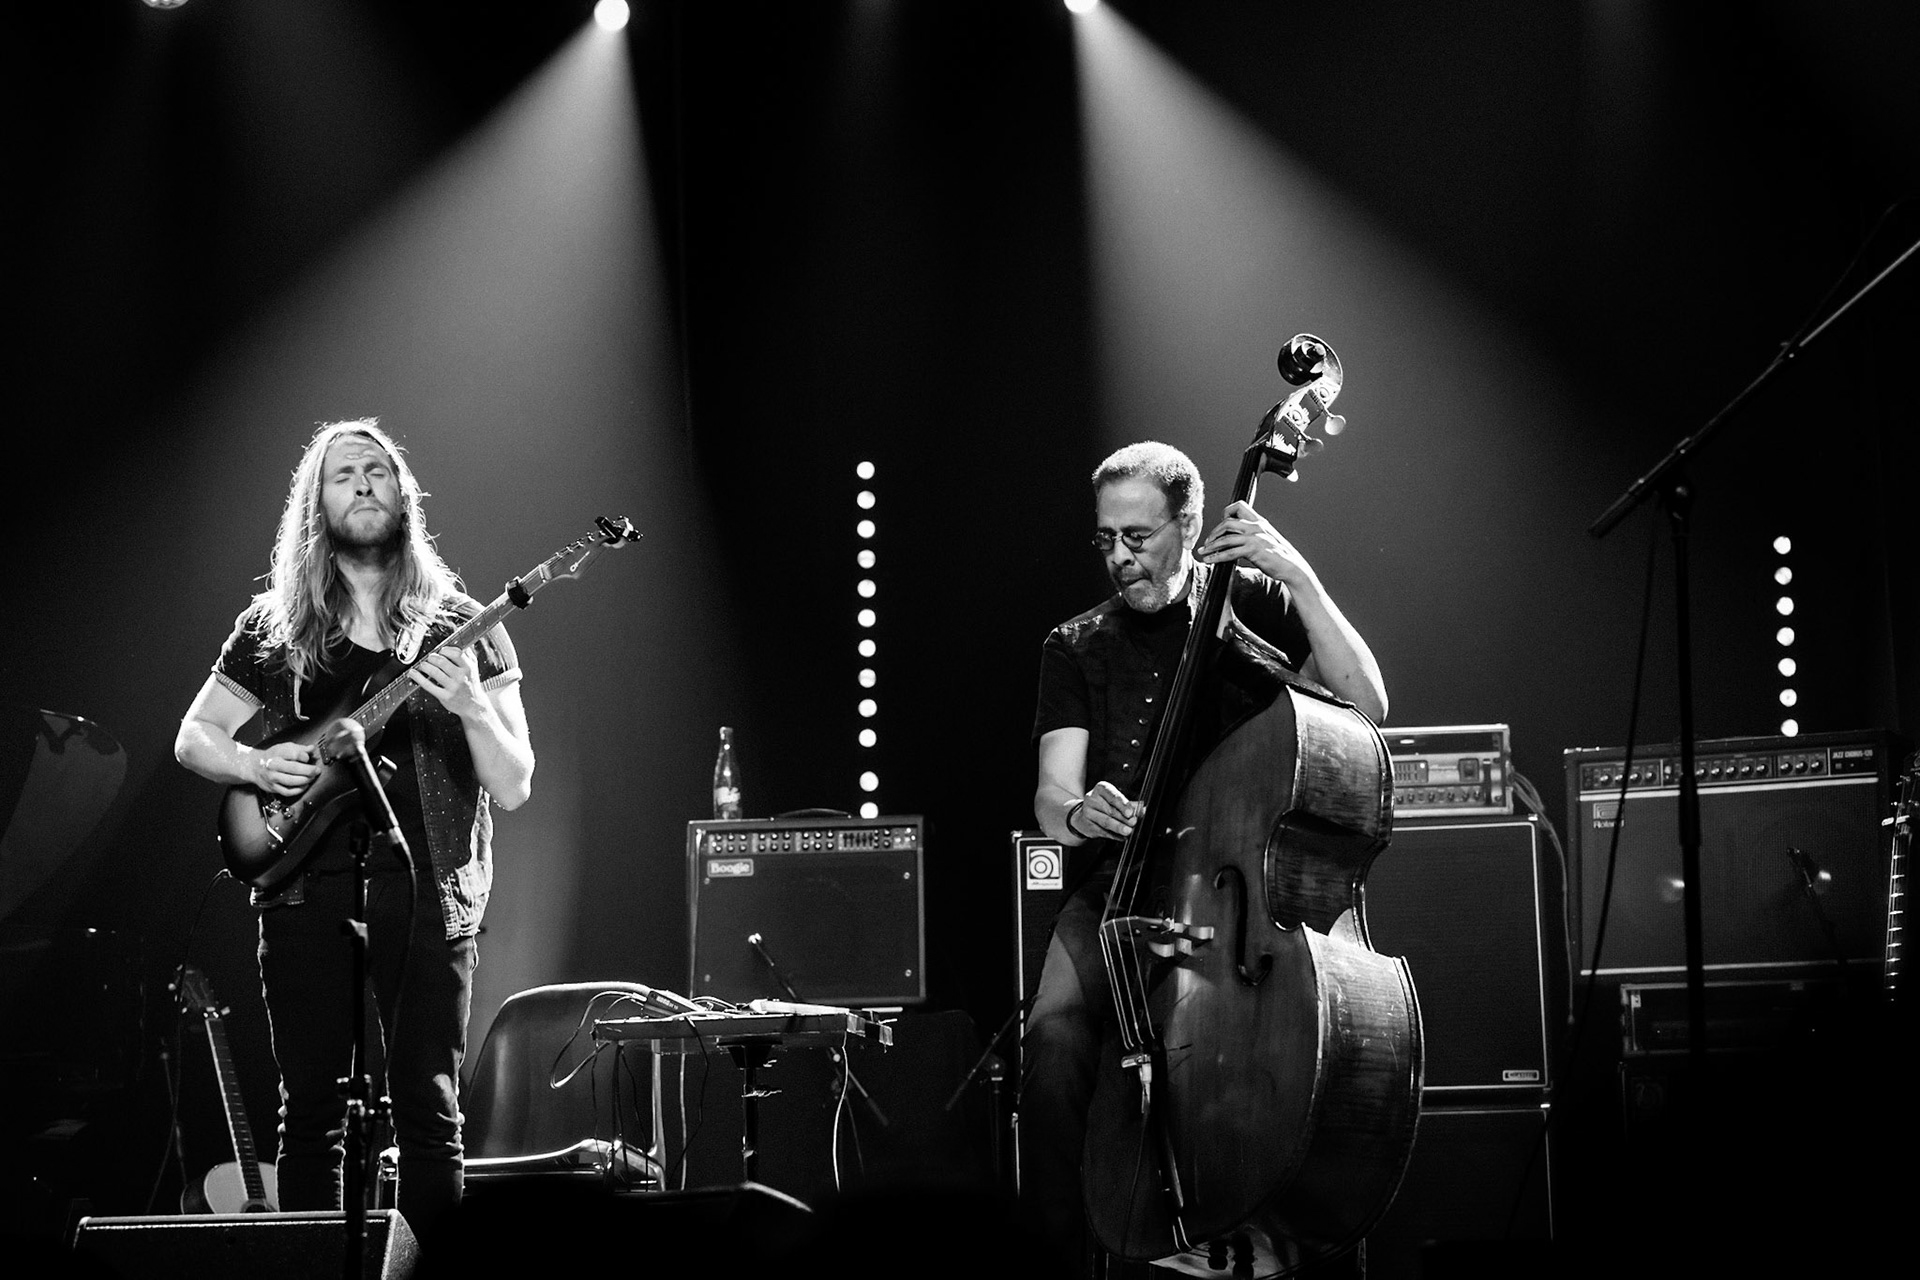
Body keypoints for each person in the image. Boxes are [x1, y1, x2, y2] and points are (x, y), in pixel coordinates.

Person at [1023, 441, 1387, 1276]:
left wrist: (1299, 577)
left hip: (1243, 889)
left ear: (1189, 524)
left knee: (1302, 1057)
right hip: (1121, 887)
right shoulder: (1075, 645)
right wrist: (1081, 812)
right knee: (1051, 1049)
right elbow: (1052, 796)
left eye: (1139, 537)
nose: (1120, 558)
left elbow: (1368, 705)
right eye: (1107, 540)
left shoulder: (1255, 601)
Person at [175, 420, 534, 1248]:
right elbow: (195, 738)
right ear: (318, 503)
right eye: (345, 474)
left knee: (429, 1113)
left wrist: (471, 704)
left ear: (404, 495)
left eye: (379, 470)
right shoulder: (273, 626)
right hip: (303, 887)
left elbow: (514, 785)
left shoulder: (466, 624)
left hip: (429, 891)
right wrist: (258, 769)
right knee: (311, 1117)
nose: (365, 483)